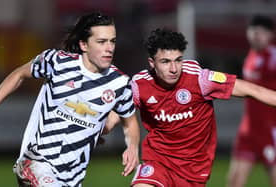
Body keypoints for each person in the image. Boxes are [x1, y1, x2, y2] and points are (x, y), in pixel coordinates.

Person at [105, 28, 276, 187]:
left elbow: (253, 90)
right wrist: (97, 129)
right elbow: (117, 114)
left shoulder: (200, 80)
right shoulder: (139, 84)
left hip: (193, 170)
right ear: (152, 63)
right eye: (165, 61)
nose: (173, 69)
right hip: (158, 162)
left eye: (178, 60)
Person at [0, 12, 140, 187]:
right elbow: (19, 74)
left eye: (113, 41)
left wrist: (132, 147)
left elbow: (129, 121)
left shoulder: (120, 83)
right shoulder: (57, 62)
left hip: (72, 177)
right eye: (101, 42)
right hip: (37, 163)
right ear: (84, 44)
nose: (109, 48)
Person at [227, 15, 276, 187]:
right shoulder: (251, 56)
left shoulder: (273, 56)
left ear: (271, 35)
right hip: (249, 128)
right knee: (234, 181)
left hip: (271, 128)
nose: (257, 35)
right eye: (253, 31)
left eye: (262, 32)